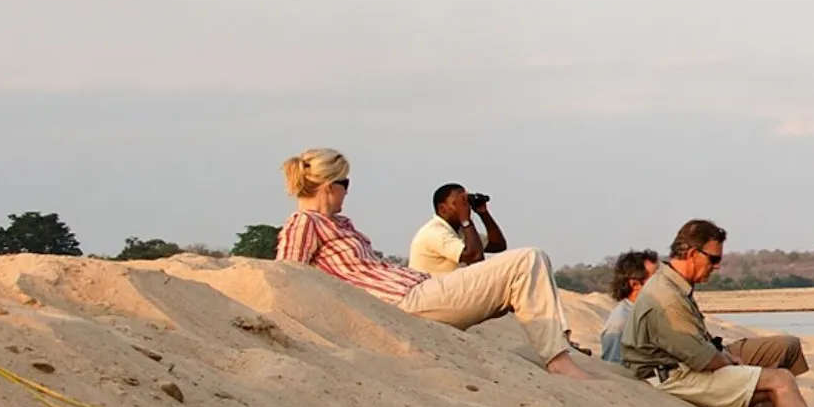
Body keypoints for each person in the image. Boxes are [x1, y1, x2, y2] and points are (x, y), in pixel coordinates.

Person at [274, 148, 608, 378]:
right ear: (330, 186)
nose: (347, 193)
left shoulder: (339, 223)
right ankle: (559, 361)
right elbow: (286, 280)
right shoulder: (305, 223)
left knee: (526, 262)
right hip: (402, 303)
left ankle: (560, 348)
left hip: (419, 287)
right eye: (345, 185)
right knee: (529, 258)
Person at [621, 221, 814, 407]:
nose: (716, 267)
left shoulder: (672, 285)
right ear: (693, 254)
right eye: (713, 260)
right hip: (671, 379)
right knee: (781, 381)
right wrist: (730, 361)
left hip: (677, 370)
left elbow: (699, 345)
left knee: (773, 393)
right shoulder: (667, 298)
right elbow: (703, 360)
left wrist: (728, 358)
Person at [408, 184, 507, 278]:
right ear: (442, 209)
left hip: (448, 288)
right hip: (430, 290)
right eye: (458, 203)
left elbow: (498, 245)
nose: (465, 207)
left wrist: (484, 213)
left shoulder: (459, 232)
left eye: (465, 202)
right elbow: (475, 256)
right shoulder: (434, 232)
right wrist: (465, 220)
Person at [596, 249, 658, 364]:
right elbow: (615, 371)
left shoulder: (651, 312)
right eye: (656, 278)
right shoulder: (620, 324)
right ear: (635, 284)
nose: (662, 283)